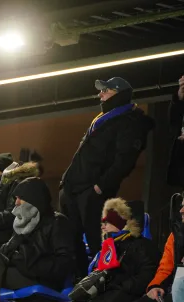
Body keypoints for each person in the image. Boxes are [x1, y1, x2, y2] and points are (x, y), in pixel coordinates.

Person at [60, 77, 155, 277]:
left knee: (97, 240)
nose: (100, 94)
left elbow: (125, 161)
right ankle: (82, 281)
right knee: (71, 239)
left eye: (106, 90)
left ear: (119, 94)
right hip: (73, 187)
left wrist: (100, 186)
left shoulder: (130, 122)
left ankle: (103, 281)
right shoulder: (103, 119)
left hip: (92, 191)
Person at [57, 198, 159, 302]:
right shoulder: (107, 248)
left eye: (107, 222)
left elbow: (148, 274)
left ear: (120, 223)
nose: (102, 226)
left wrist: (122, 285)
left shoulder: (142, 245)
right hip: (106, 296)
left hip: (126, 297)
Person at [0, 177, 75, 302]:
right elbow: (3, 254)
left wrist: (29, 262)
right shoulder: (22, 224)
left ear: (33, 199)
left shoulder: (57, 222)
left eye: (20, 198)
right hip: (24, 272)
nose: (16, 203)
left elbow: (64, 263)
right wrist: (15, 247)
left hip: (43, 277)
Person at [131, 196, 184, 302]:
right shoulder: (176, 235)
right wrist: (156, 286)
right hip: (176, 290)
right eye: (181, 206)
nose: (181, 210)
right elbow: (165, 267)